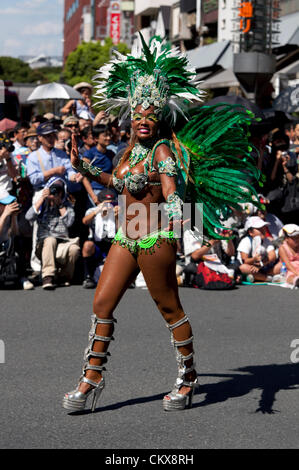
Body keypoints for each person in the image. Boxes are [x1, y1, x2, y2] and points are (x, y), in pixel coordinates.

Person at [62, 35, 261, 413]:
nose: (143, 120)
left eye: (150, 115)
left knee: (169, 307)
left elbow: (170, 190)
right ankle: (92, 378)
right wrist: (84, 168)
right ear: (130, 114)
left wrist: (176, 210)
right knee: (102, 301)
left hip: (155, 234)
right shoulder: (129, 152)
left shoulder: (163, 150)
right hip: (126, 234)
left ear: (160, 117)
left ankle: (187, 380)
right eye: (138, 114)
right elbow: (118, 184)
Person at [25, 177, 80, 290]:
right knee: (50, 239)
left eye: (58, 190)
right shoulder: (42, 205)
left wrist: (60, 204)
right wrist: (42, 198)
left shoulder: (67, 205)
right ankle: (48, 277)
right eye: (53, 189)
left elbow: (69, 222)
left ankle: (64, 277)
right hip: (44, 245)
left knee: (74, 249)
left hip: (63, 243)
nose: (55, 193)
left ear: (63, 192)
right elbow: (28, 216)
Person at [82, 188, 118, 289]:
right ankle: (88, 277)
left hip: (112, 243)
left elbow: (121, 230)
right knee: (87, 246)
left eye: (111, 202)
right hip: (97, 243)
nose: (108, 205)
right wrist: (97, 211)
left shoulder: (118, 211)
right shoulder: (92, 210)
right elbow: (84, 221)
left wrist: (117, 216)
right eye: (106, 203)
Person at [0, 190, 34, 290]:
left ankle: (22, 277)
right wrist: (5, 215)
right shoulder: (5, 214)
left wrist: (14, 217)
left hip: (5, 246)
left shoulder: (9, 215)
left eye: (10, 203)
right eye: (6, 204)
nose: (9, 206)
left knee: (19, 241)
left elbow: (15, 233)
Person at [237, 216, 279, 282]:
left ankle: (259, 276)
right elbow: (245, 261)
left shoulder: (266, 240)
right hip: (251, 267)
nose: (263, 230)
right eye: (259, 229)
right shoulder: (246, 241)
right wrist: (254, 259)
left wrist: (261, 264)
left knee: (281, 265)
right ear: (250, 232)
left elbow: (273, 256)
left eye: (264, 227)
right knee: (243, 267)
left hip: (264, 266)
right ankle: (268, 278)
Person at [82, 124, 114, 207]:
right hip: (96, 190)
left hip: (110, 191)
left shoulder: (111, 154)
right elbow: (84, 177)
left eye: (109, 135)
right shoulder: (89, 154)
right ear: (96, 138)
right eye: (105, 136)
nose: (108, 138)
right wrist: (93, 197)